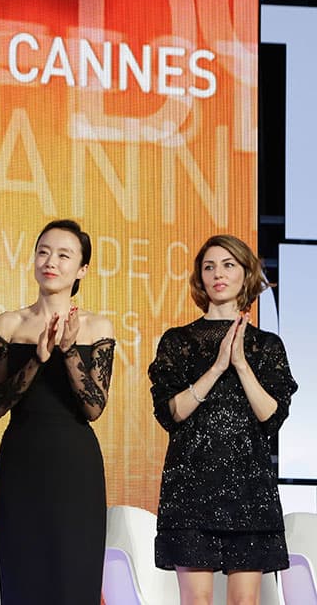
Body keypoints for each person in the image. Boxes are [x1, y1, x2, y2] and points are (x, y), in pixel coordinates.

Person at [150, 234, 297, 605]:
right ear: (200, 278)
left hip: (249, 488)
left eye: (229, 265)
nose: (219, 274)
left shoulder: (266, 346)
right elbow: (172, 413)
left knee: (244, 602)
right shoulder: (177, 341)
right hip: (191, 486)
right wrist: (216, 367)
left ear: (245, 274)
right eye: (209, 266)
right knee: (196, 601)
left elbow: (272, 416)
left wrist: (242, 365)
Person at [0, 219, 115, 604]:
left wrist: (69, 349)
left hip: (75, 468)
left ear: (82, 269)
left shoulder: (97, 326)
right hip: (21, 462)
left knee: (74, 579)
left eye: (63, 255)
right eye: (43, 252)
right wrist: (38, 358)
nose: (50, 262)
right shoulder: (9, 322)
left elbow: (93, 407)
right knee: (23, 576)